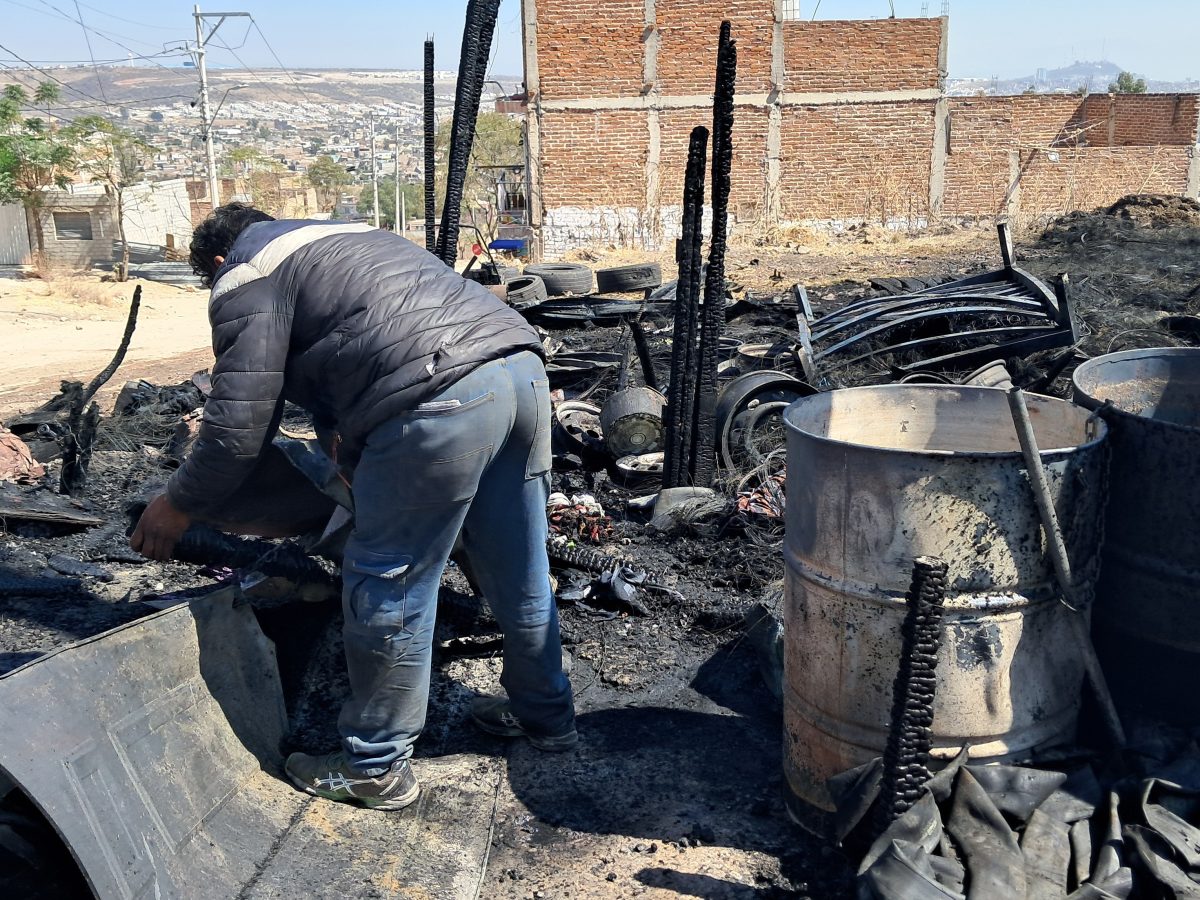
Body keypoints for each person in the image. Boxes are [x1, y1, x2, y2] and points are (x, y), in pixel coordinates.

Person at [131, 203, 576, 811]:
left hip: (438, 393)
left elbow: (238, 422)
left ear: (215, 261)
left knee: (390, 583)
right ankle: (547, 718)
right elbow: (350, 355)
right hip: (518, 369)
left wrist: (177, 505)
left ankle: (373, 765)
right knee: (518, 566)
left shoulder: (246, 268)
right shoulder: (348, 239)